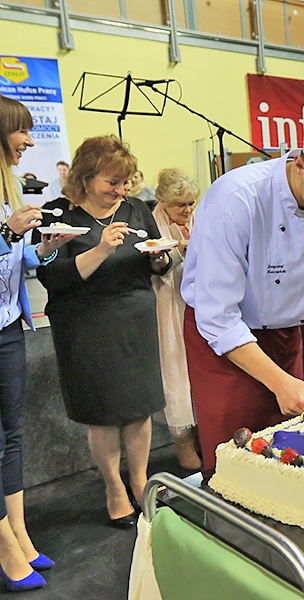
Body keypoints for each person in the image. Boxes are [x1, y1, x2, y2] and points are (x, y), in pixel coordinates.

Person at [181, 65, 304, 471]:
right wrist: (278, 381)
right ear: (300, 163)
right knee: (235, 460)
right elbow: (217, 318)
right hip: (226, 348)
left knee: (286, 455)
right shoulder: (236, 200)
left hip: (287, 339)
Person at [37, 135, 172, 531]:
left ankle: (141, 480)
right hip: (86, 324)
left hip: (135, 318)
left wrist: (161, 257)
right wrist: (101, 249)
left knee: (139, 407)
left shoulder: (135, 209)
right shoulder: (58, 214)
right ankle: (114, 488)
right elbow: (53, 277)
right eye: (112, 182)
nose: (121, 190)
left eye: (126, 181)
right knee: (104, 414)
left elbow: (154, 264)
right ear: (85, 176)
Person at [0, 95, 76, 591]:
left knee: (11, 437)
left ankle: (21, 537)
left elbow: (19, 263)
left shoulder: (8, 189)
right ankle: (7, 552)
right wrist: (7, 230)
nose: (30, 141)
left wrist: (44, 249)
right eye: (21, 131)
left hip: (7, 327)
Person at [150, 168, 201, 470]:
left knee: (198, 367)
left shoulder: (198, 220)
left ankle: (203, 434)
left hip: (196, 303)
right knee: (175, 370)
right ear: (163, 201)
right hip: (165, 304)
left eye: (192, 203)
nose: (187, 210)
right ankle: (182, 440)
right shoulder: (150, 223)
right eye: (180, 204)